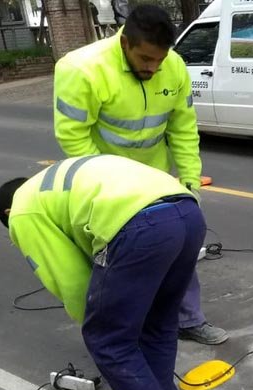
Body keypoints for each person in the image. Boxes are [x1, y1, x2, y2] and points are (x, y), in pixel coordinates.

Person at [0, 155, 204, 390]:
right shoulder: (53, 184)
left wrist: (99, 326)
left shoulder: (23, 211)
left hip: (140, 225)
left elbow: (72, 279)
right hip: (187, 212)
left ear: (8, 213)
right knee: (157, 323)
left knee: (108, 339)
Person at [53, 4, 228, 345]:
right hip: (106, 186)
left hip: (156, 180)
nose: (154, 67)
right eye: (146, 59)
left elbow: (182, 128)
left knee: (180, 246)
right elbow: (73, 137)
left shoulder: (173, 67)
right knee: (119, 261)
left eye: (160, 60)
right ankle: (127, 332)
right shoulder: (81, 69)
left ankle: (188, 320)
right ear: (125, 43)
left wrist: (190, 183)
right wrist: (112, 186)